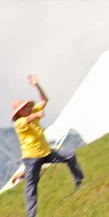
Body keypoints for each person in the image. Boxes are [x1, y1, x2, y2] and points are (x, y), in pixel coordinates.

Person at [12, 74, 84, 217]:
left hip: (45, 152)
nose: (26, 108)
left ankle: (79, 181)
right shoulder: (19, 123)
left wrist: (37, 85)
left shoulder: (32, 112)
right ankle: (31, 215)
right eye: (23, 107)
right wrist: (37, 115)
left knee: (70, 155)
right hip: (32, 158)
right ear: (19, 112)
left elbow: (44, 100)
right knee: (31, 187)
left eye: (26, 106)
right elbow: (30, 119)